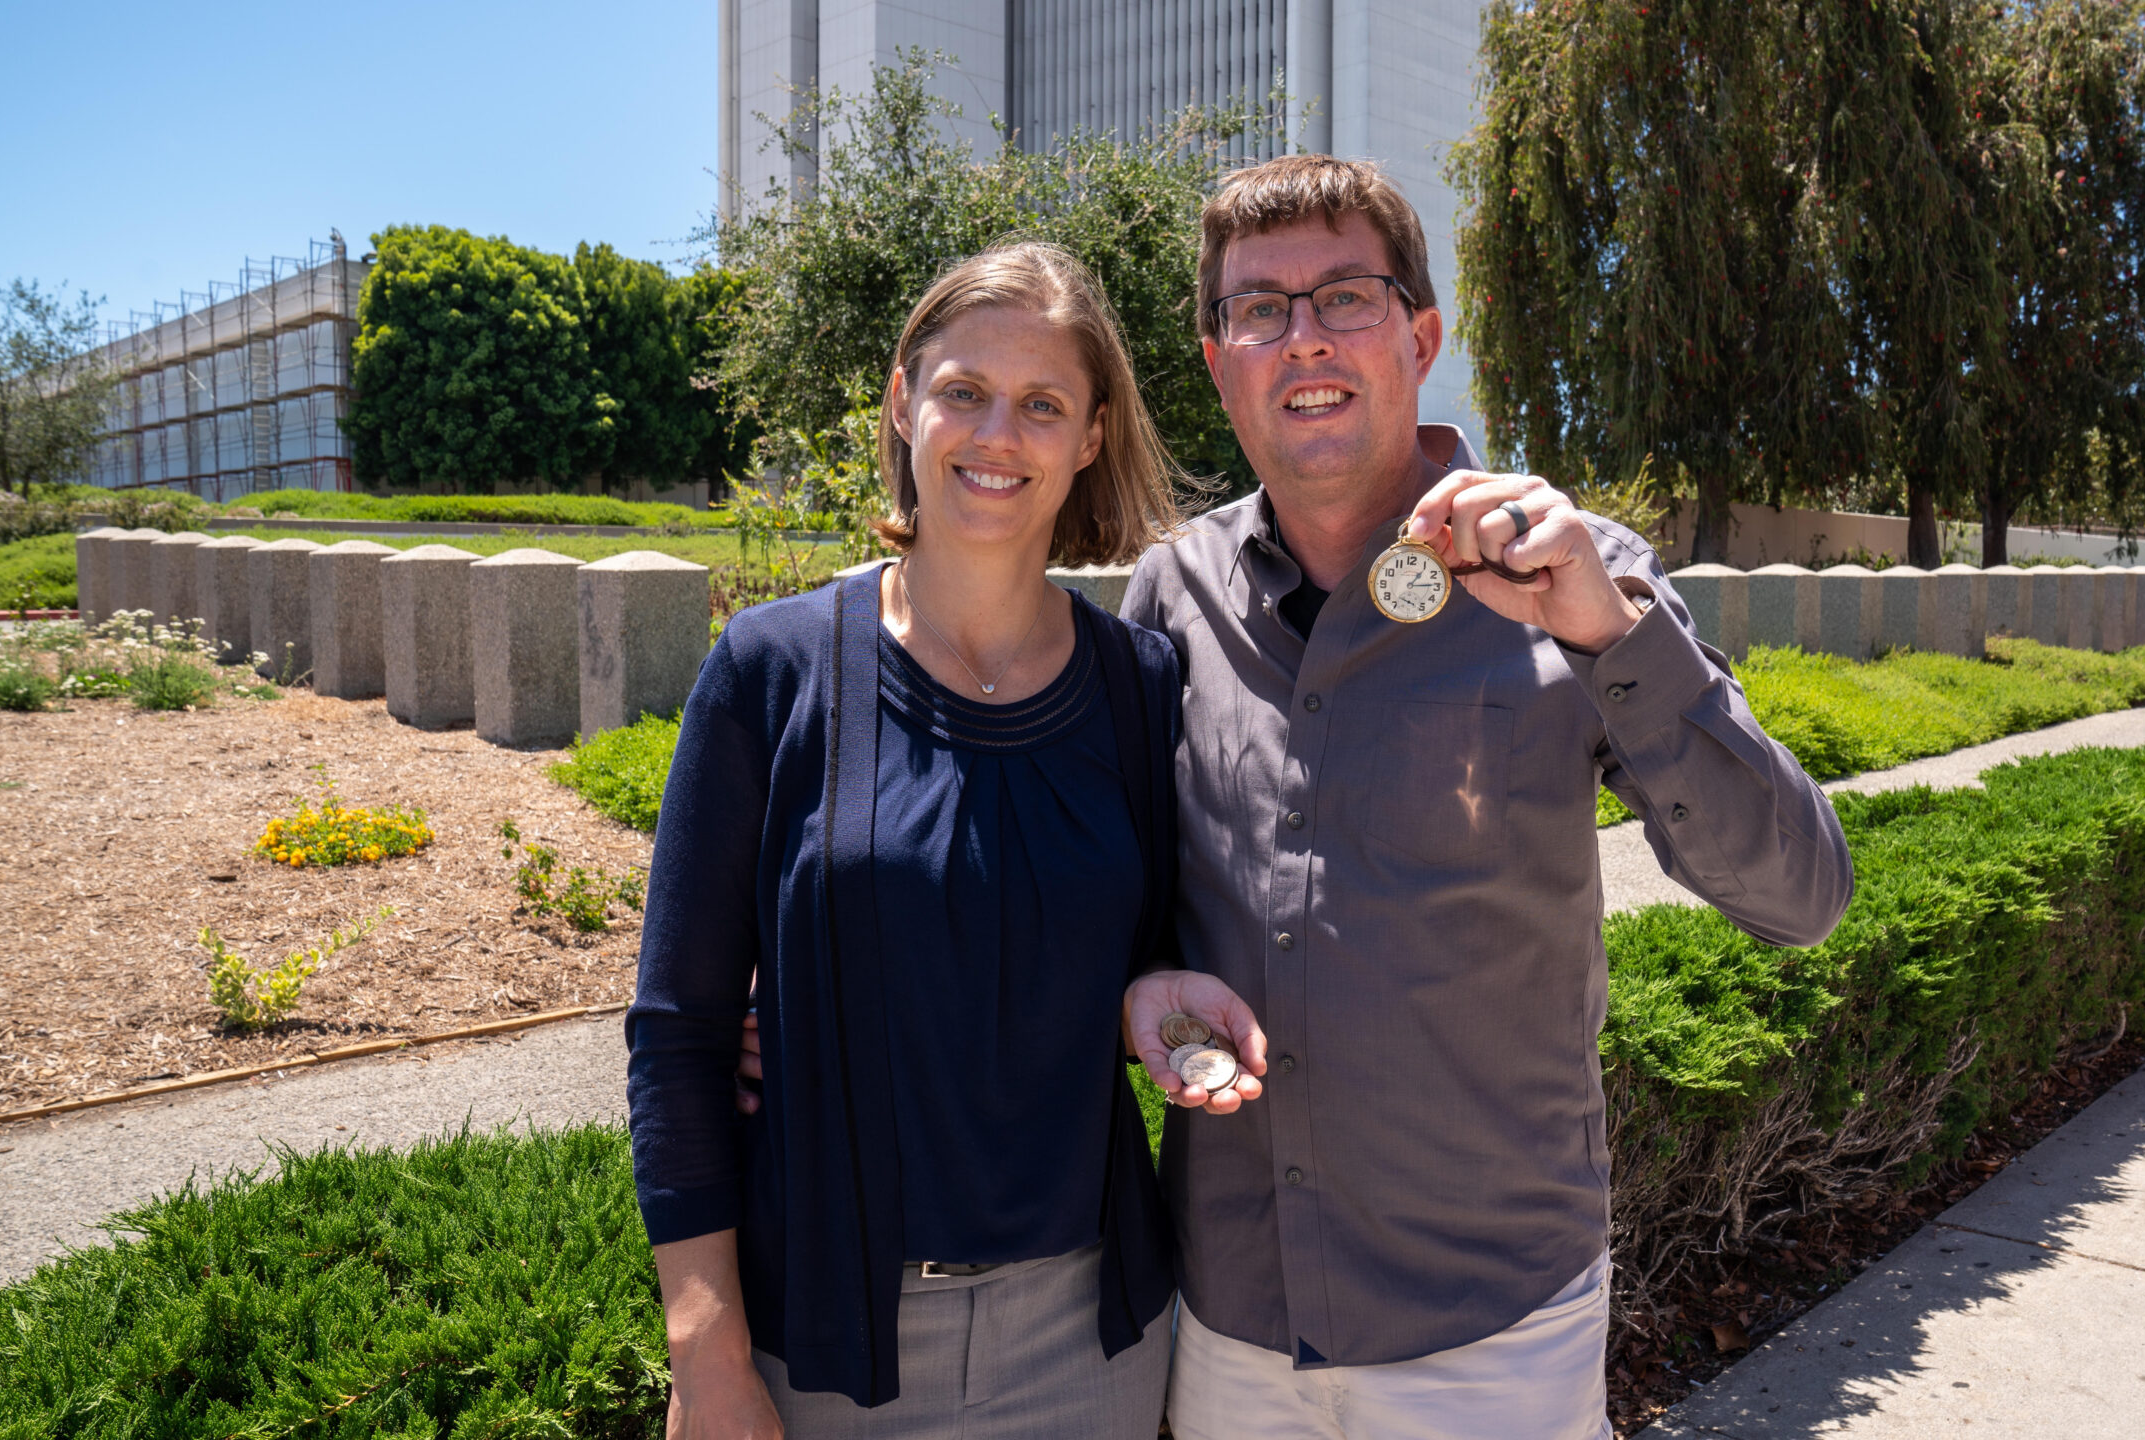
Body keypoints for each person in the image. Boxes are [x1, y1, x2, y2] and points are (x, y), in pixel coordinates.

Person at [1115, 156, 1856, 1438]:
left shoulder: (1579, 573)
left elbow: (1802, 895)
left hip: (1492, 1335)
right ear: (1215, 357)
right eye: (1259, 310)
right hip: (1230, 1317)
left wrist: (1609, 638)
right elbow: (1123, 902)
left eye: (1345, 297)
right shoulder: (1167, 601)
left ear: (1420, 336)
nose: (1303, 340)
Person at [625, 241, 1223, 1438]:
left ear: (1091, 436)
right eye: (963, 392)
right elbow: (678, 1038)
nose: (997, 435)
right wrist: (707, 1358)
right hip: (828, 1347)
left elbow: (1144, 963)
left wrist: (1168, 1015)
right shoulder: (771, 671)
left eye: (1043, 405)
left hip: (1094, 1344)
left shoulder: (1141, 685)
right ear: (904, 401)